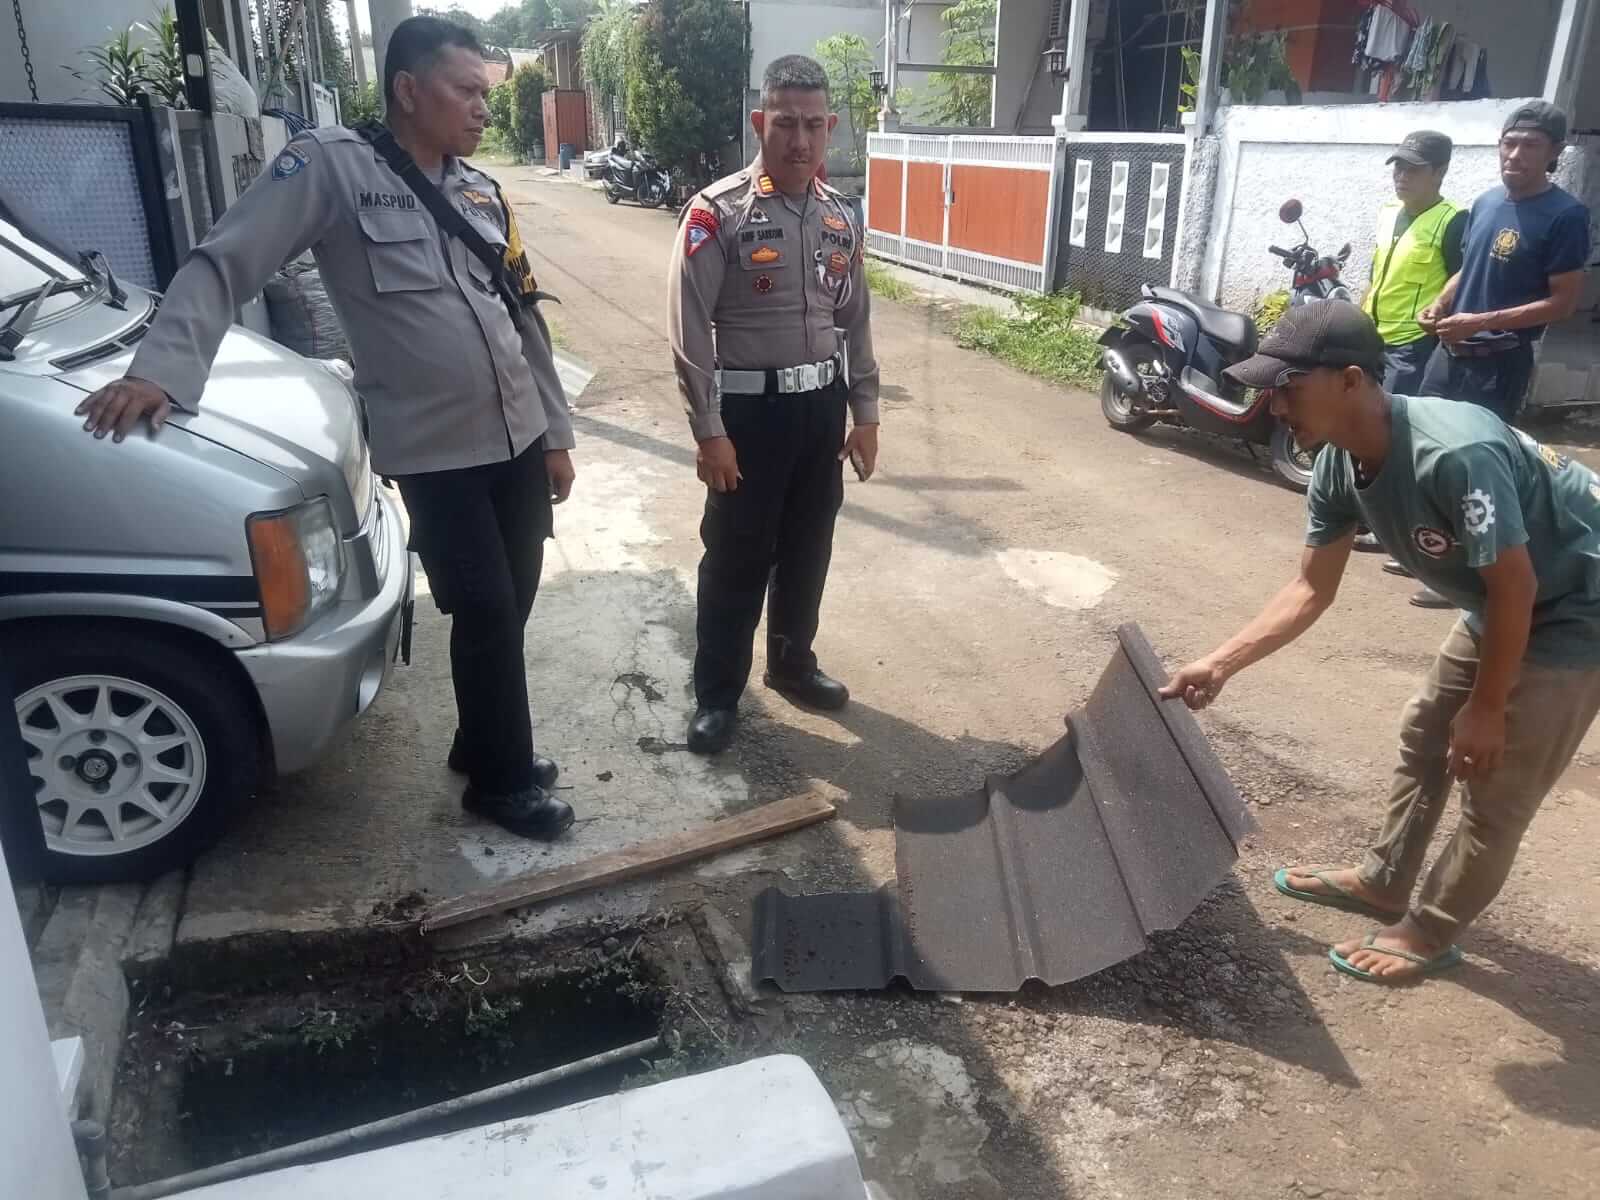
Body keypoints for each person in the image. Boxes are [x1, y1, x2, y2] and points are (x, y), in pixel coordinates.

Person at [73, 17, 578, 840]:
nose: (485, 108)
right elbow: (228, 254)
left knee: (512, 599)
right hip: (436, 451)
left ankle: (486, 740)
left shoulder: (480, 190)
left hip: (518, 435)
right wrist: (159, 369)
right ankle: (501, 783)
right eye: (467, 91)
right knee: (483, 605)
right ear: (409, 90)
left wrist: (554, 432)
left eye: (488, 93)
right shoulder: (336, 167)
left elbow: (524, 317)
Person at [1163, 300, 1600, 986]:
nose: (1275, 407)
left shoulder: (1454, 452)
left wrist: (1487, 709)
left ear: (1352, 380)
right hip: (1505, 597)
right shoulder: (1338, 465)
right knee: (1427, 732)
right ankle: (1385, 879)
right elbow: (1311, 589)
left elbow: (1516, 586)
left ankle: (1431, 930)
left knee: (1493, 779)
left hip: (1579, 604)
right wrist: (1220, 663)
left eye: (1289, 388)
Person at [667, 54, 880, 756]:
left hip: (820, 410)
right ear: (761, 122)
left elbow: (855, 321)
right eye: (785, 123)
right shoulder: (716, 212)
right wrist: (708, 430)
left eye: (814, 125)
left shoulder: (839, 218)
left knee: (808, 546)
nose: (800, 140)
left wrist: (866, 412)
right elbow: (690, 329)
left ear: (832, 128)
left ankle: (792, 663)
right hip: (748, 419)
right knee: (735, 557)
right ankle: (717, 695)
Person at [1419, 102, 1590, 422]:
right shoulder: (1486, 202)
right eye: (1509, 143)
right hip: (1446, 356)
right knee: (1421, 440)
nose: (1515, 154)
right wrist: (1439, 303)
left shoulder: (1566, 216)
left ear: (1554, 151)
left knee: (1475, 458)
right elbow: (1469, 267)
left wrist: (1479, 322)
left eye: (1530, 145)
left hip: (1497, 368)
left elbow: (1563, 304)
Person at [1353, 129, 1465, 565]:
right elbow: (1376, 273)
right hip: (1373, 340)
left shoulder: (1452, 220)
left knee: (1399, 442)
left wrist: (1440, 309)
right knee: (1365, 433)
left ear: (1439, 172)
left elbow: (1463, 275)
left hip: (1413, 347)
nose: (1401, 176)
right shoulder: (1388, 214)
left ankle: (1404, 535)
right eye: (1398, 166)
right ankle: (1373, 519)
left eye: (1413, 169)